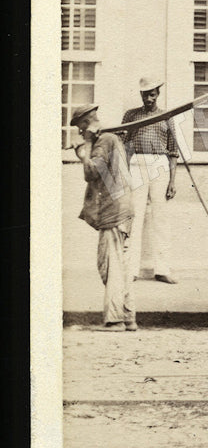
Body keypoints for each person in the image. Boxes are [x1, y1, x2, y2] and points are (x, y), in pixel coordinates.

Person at [71, 104, 136, 332]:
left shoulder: (104, 141)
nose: (79, 131)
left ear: (87, 122)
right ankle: (128, 318)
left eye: (80, 126)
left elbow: (91, 173)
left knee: (110, 265)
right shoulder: (110, 140)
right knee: (120, 265)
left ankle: (115, 320)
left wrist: (87, 144)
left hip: (114, 210)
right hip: (122, 208)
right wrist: (85, 149)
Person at [120, 74, 179, 284]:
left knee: (160, 217)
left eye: (152, 95)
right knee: (134, 217)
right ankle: (130, 270)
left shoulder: (166, 117)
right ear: (141, 94)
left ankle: (162, 269)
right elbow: (123, 146)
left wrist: (172, 181)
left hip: (160, 166)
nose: (149, 99)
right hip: (136, 165)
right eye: (145, 95)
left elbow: (173, 152)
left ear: (158, 94)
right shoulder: (131, 116)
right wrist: (125, 174)